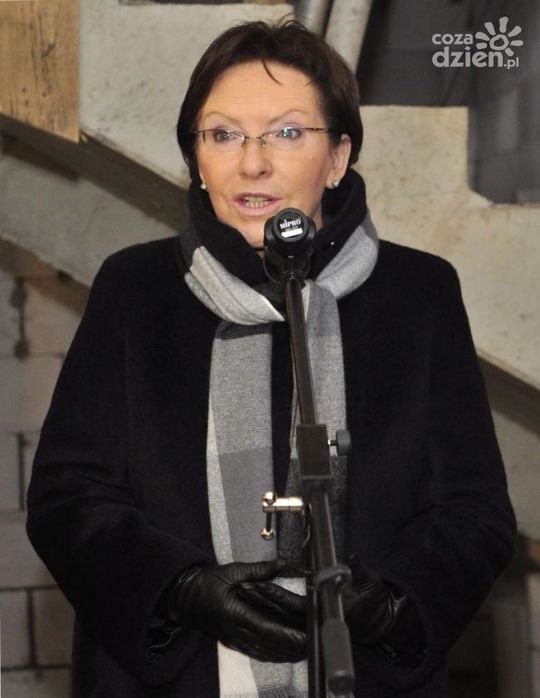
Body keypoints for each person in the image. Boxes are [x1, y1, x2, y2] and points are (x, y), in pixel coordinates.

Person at [26, 19, 516, 698]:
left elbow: (473, 510)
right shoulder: (134, 290)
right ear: (196, 160)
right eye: (223, 135)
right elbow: (68, 497)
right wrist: (179, 590)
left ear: (338, 157)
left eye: (286, 133)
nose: (252, 164)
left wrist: (392, 606)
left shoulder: (418, 294)